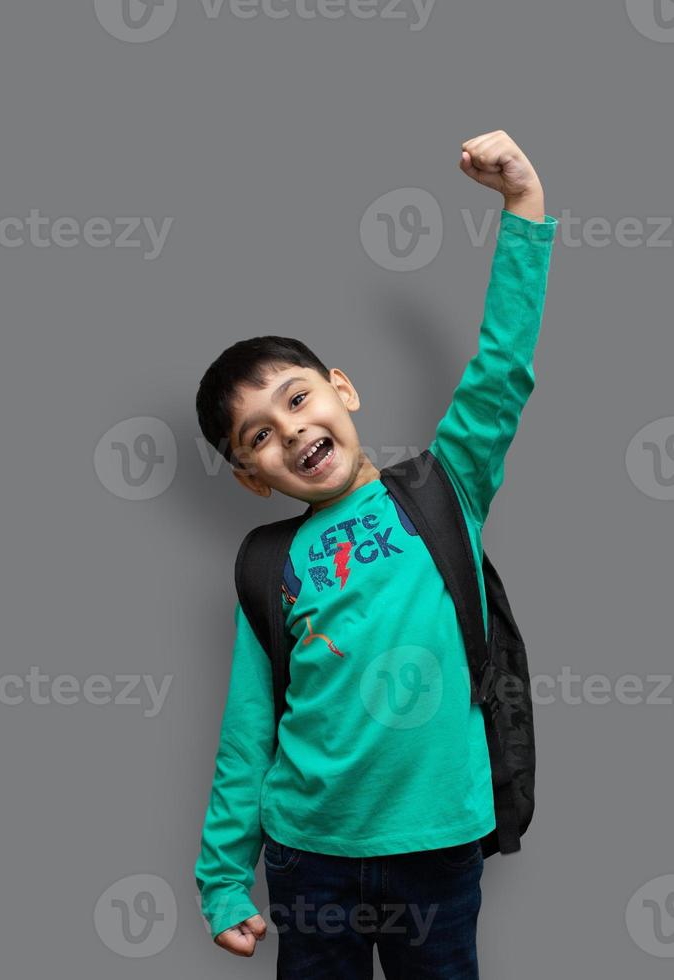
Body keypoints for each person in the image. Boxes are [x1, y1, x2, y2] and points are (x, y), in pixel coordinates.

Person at [191, 130, 556, 978]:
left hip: (438, 849)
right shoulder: (263, 564)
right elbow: (248, 734)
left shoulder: (443, 487)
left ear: (342, 389)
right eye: (262, 437)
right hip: (307, 857)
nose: (294, 431)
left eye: (299, 398)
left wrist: (524, 207)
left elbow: (503, 366)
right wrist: (220, 881)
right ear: (252, 478)